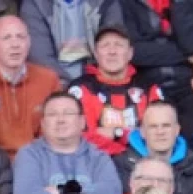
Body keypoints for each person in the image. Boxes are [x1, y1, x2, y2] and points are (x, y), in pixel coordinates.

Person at [14, 92, 124, 194]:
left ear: (82, 122)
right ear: (43, 123)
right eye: (52, 114)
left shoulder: (98, 157)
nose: (60, 120)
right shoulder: (29, 154)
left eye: (68, 113)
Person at [0, 14, 62, 158]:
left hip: (40, 161)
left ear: (29, 42)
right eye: (6, 38)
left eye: (20, 37)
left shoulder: (49, 80)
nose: (15, 44)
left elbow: (55, 132)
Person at [69, 24, 166, 157]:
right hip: (93, 165)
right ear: (96, 54)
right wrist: (125, 137)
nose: (112, 51)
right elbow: (77, 138)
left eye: (119, 45)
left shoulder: (149, 89)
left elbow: (160, 133)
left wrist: (113, 134)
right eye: (105, 45)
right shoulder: (80, 89)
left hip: (142, 165)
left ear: (130, 53)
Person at [113, 102, 193, 194]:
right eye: (153, 126)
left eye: (166, 126)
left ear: (177, 130)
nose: (160, 132)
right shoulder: (119, 166)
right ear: (142, 132)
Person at [114, 0, 193, 102]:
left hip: (189, 81)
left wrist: (179, 3)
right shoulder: (124, 3)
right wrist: (187, 55)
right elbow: (134, 51)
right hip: (146, 84)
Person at [20, 0, 127, 84]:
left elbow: (112, 47)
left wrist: (90, 86)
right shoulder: (35, 4)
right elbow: (41, 58)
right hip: (55, 83)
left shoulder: (105, 2)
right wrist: (71, 86)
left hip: (98, 81)